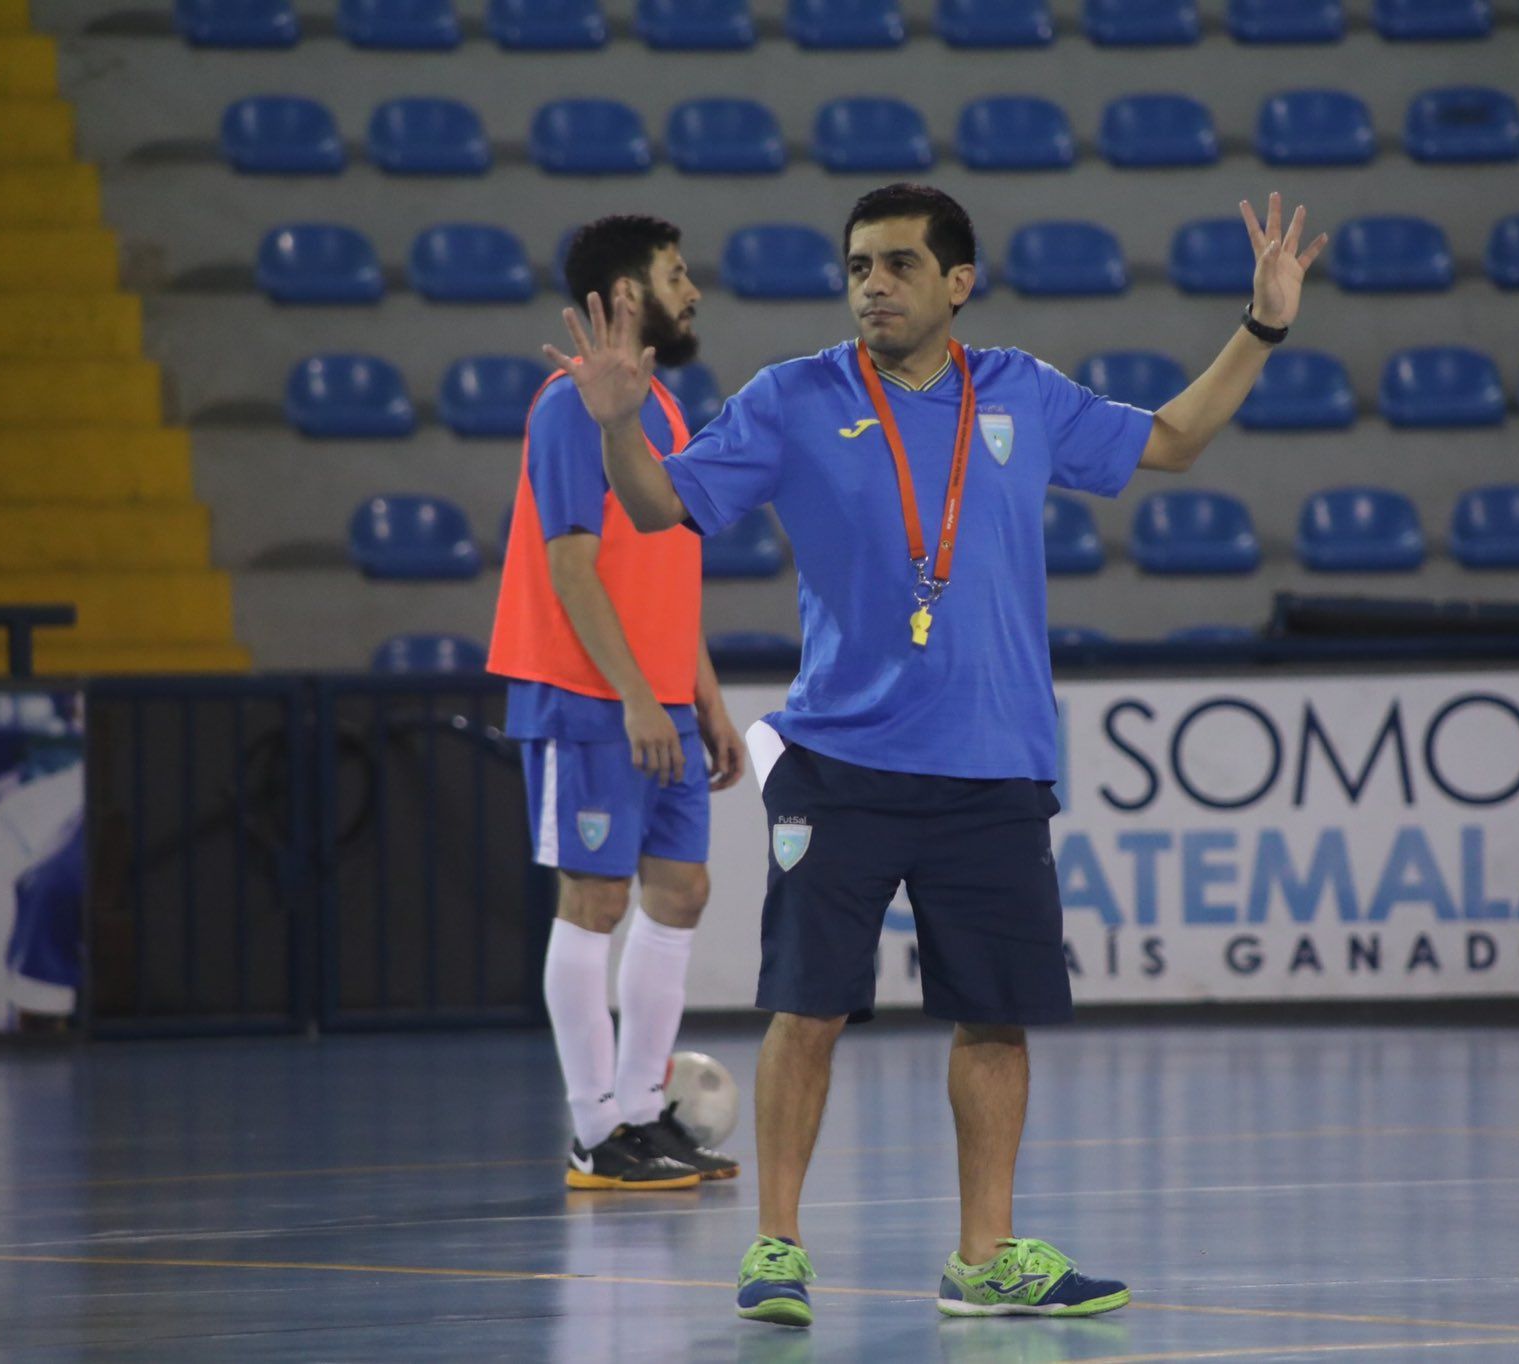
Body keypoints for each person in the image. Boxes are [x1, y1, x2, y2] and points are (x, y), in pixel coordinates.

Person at [546, 183, 1326, 1322]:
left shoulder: (1020, 391)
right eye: (859, 264)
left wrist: (1261, 326)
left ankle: (983, 1255)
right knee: (807, 1007)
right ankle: (774, 1246)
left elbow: (1171, 437)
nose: (873, 284)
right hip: (840, 760)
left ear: (956, 283)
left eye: (900, 265)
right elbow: (658, 505)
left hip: (994, 765)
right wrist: (618, 422)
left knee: (995, 1016)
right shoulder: (793, 397)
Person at [490, 214, 747, 1192]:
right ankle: (593, 1131)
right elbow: (568, 564)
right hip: (584, 697)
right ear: (628, 293)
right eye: (677, 274)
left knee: (679, 890)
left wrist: (701, 697)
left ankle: (646, 1113)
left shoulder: (666, 412)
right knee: (593, 898)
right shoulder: (569, 407)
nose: (693, 290)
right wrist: (639, 697)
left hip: (658, 700)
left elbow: (666, 570)